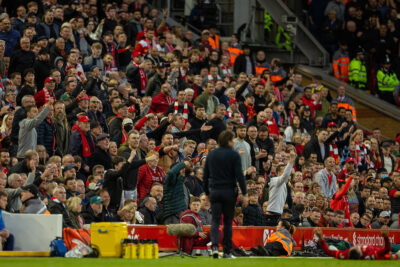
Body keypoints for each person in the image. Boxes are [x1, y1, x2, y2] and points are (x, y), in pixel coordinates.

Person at [204, 130, 248, 259]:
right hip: (229, 191)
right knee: (228, 222)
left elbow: (206, 175)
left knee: (215, 220)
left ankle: (215, 248)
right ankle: (227, 251)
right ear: (229, 141)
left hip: (215, 191)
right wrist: (244, 193)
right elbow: (239, 175)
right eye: (232, 140)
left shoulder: (211, 154)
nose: (233, 142)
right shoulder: (234, 155)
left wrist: (207, 192)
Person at [314, 228, 400, 260]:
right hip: (386, 255)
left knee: (332, 248)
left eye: (352, 248)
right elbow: (386, 250)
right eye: (356, 247)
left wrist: (321, 238)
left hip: (382, 251)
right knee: (391, 256)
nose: (355, 246)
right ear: (361, 253)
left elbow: (327, 251)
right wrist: (385, 237)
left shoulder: (345, 254)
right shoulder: (372, 255)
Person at [264, 150, 297, 226]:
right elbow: (284, 176)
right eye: (284, 171)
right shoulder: (275, 181)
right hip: (271, 215)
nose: (287, 174)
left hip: (277, 215)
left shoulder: (285, 185)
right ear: (278, 173)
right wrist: (291, 161)